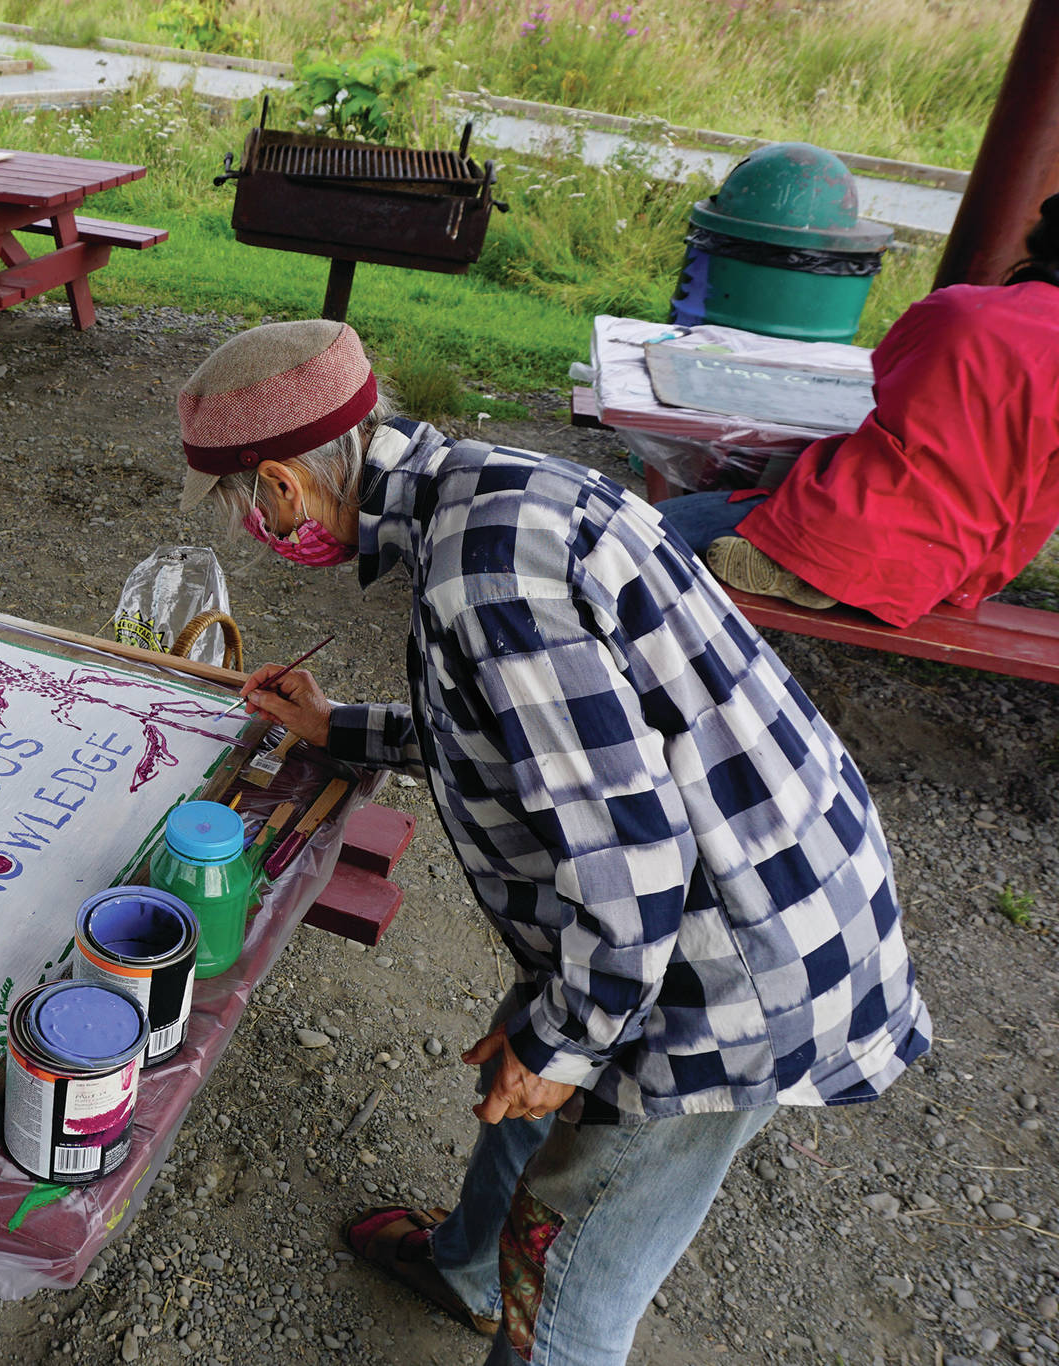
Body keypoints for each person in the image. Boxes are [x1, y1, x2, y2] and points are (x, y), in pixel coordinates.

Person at [175, 318, 931, 1366]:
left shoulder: (478, 576)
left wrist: (569, 1040)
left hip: (734, 960)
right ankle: (464, 1268)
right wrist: (338, 726)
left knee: (571, 1262)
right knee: (523, 1065)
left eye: (246, 510)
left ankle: (512, 1286)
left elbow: (628, 858)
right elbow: (522, 736)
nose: (260, 528)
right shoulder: (482, 489)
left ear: (279, 488)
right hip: (732, 881)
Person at [659, 195, 1059, 623]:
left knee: (641, 529)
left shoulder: (957, 310)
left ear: (1039, 242)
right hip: (944, 567)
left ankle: (805, 568)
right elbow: (1042, 505)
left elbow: (886, 374)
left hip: (841, 521)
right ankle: (823, 575)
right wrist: (967, 587)